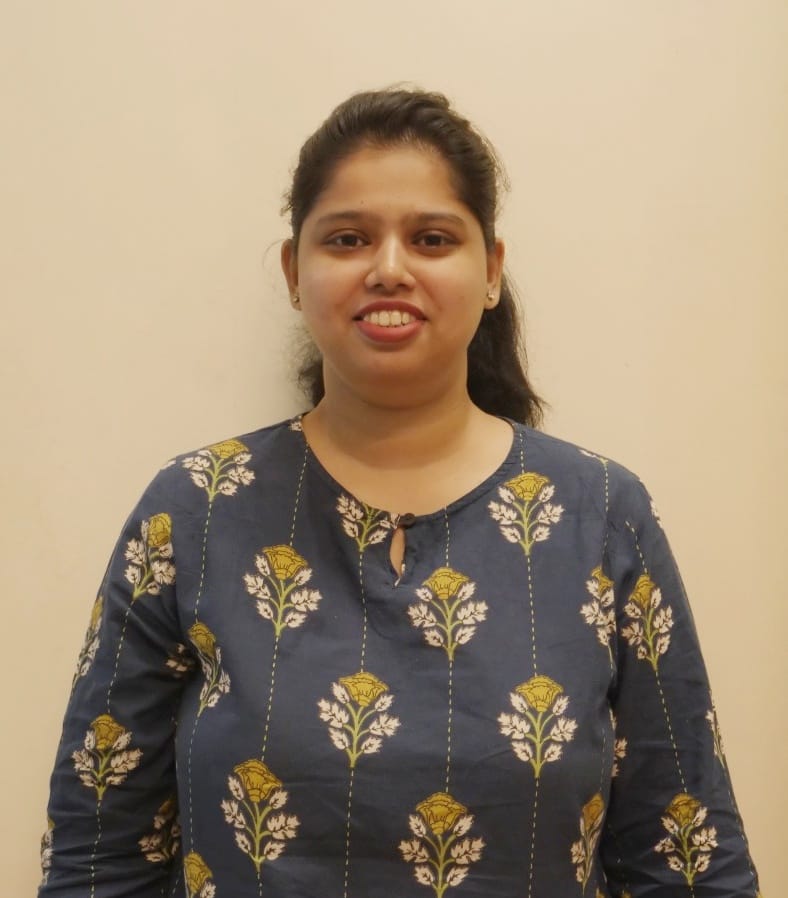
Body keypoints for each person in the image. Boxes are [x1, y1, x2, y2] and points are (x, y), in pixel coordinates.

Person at [39, 88, 761, 898]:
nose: (388, 269)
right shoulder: (195, 511)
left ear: (491, 271)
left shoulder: (600, 516)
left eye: (432, 239)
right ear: (294, 272)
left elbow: (686, 858)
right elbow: (97, 859)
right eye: (348, 239)